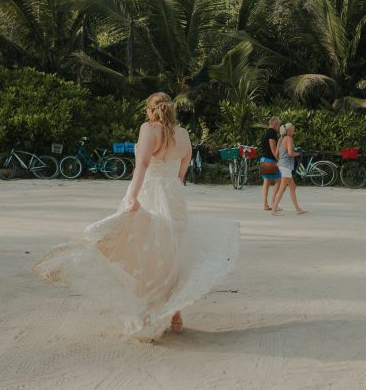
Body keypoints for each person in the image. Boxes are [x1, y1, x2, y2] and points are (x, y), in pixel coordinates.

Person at [35, 93, 240, 339]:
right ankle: (175, 314)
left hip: (150, 192)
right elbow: (182, 168)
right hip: (174, 196)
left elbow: (141, 165)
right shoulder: (183, 134)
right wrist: (172, 186)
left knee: (142, 254)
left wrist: (132, 197)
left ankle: (146, 313)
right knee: (173, 254)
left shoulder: (148, 129)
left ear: (149, 109)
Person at [271, 123, 307, 215]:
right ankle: (274, 209)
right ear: (289, 130)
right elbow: (291, 153)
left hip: (283, 165)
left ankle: (298, 209)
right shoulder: (289, 139)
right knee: (283, 188)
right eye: (293, 129)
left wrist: (281, 160)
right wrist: (299, 154)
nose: (294, 131)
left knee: (292, 187)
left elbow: (276, 153)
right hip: (286, 166)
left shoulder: (280, 138)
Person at [260, 117, 282, 210]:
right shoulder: (272, 133)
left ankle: (265, 204)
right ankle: (273, 203)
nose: (279, 127)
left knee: (266, 182)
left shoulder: (264, 132)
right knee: (279, 181)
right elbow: (273, 148)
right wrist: (278, 159)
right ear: (275, 124)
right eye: (278, 125)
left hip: (264, 159)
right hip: (271, 161)